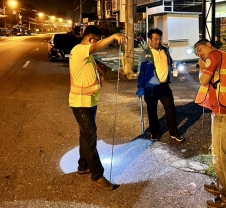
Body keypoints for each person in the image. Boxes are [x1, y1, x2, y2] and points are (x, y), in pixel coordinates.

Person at [69, 25, 128, 190]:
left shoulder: (84, 54)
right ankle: (97, 175)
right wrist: (114, 36)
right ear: (89, 39)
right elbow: (95, 47)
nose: (98, 44)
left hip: (88, 102)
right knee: (90, 138)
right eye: (97, 40)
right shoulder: (80, 49)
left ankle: (83, 166)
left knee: (85, 136)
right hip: (81, 104)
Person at [193, 38, 226, 208]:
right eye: (197, 52)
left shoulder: (214, 55)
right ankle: (221, 186)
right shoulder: (223, 56)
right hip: (222, 111)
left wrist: (201, 65)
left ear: (209, 45)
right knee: (219, 155)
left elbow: (204, 80)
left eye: (200, 49)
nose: (200, 53)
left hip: (225, 113)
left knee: (221, 158)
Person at [136, 28, 185, 142]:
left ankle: (174, 132)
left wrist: (174, 68)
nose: (158, 41)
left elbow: (170, 62)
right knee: (152, 111)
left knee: (170, 109)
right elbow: (141, 72)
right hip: (150, 87)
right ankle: (155, 132)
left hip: (164, 86)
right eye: (155, 39)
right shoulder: (145, 54)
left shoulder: (165, 51)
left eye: (159, 39)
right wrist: (140, 87)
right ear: (150, 40)